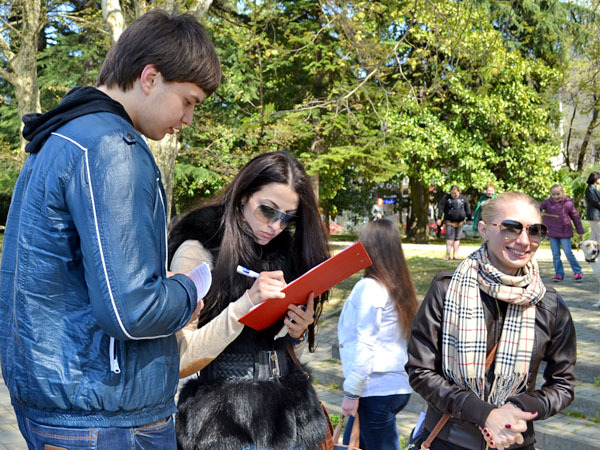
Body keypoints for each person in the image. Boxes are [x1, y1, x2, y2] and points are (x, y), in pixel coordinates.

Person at [0, 10, 221, 449]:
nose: (189, 119)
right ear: (150, 78)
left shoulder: (65, 136)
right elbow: (131, 310)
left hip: (67, 403)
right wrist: (186, 290)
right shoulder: (111, 148)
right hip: (104, 415)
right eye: (189, 101)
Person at [168, 151, 332, 450]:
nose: (275, 226)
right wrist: (245, 305)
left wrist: (297, 331)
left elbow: (278, 346)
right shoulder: (197, 248)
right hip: (223, 425)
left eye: (288, 217)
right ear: (244, 195)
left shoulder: (283, 251)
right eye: (267, 210)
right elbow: (180, 358)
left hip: (291, 419)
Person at [406, 192, 576, 450]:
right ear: (484, 230)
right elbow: (420, 371)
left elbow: (563, 385)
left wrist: (518, 407)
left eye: (534, 231)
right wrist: (484, 413)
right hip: (448, 440)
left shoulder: (549, 305)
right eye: (511, 228)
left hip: (515, 441)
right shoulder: (446, 290)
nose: (524, 240)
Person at [337, 219, 418, 450]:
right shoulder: (397, 286)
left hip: (374, 390)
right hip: (393, 387)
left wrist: (351, 394)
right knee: (352, 443)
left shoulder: (370, 288)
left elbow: (366, 344)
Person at [539, 184, 584, 282]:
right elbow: (538, 207)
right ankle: (559, 274)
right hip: (552, 232)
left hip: (565, 232)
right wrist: (538, 211)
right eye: (553, 194)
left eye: (558, 194)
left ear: (563, 193)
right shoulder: (547, 203)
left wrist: (580, 231)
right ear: (551, 194)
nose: (556, 196)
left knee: (568, 253)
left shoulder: (568, 204)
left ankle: (577, 271)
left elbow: (576, 218)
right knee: (556, 255)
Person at [437, 185, 472, 260]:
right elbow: (441, 208)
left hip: (460, 222)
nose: (454, 194)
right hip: (449, 221)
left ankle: (455, 254)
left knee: (457, 238)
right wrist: (439, 218)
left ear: (459, 192)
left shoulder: (463, 198)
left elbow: (467, 208)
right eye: (452, 193)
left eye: (455, 193)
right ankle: (448, 255)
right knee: (449, 238)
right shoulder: (446, 198)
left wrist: (469, 219)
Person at [584, 172, 600, 241]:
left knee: (594, 235)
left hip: (595, 215)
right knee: (598, 234)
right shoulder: (590, 189)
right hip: (594, 215)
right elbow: (595, 201)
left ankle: (592, 247)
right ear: (595, 179)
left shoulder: (594, 189)